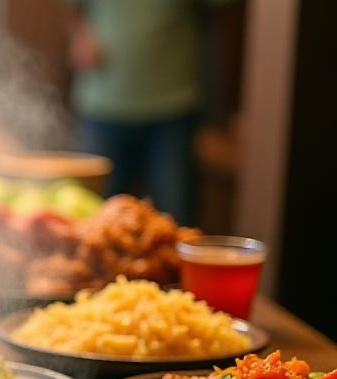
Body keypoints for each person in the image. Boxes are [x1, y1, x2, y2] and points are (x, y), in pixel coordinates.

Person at [66, 0, 236, 223]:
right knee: (92, 218)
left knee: (174, 218)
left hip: (173, 108)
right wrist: (80, 35)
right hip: (103, 105)